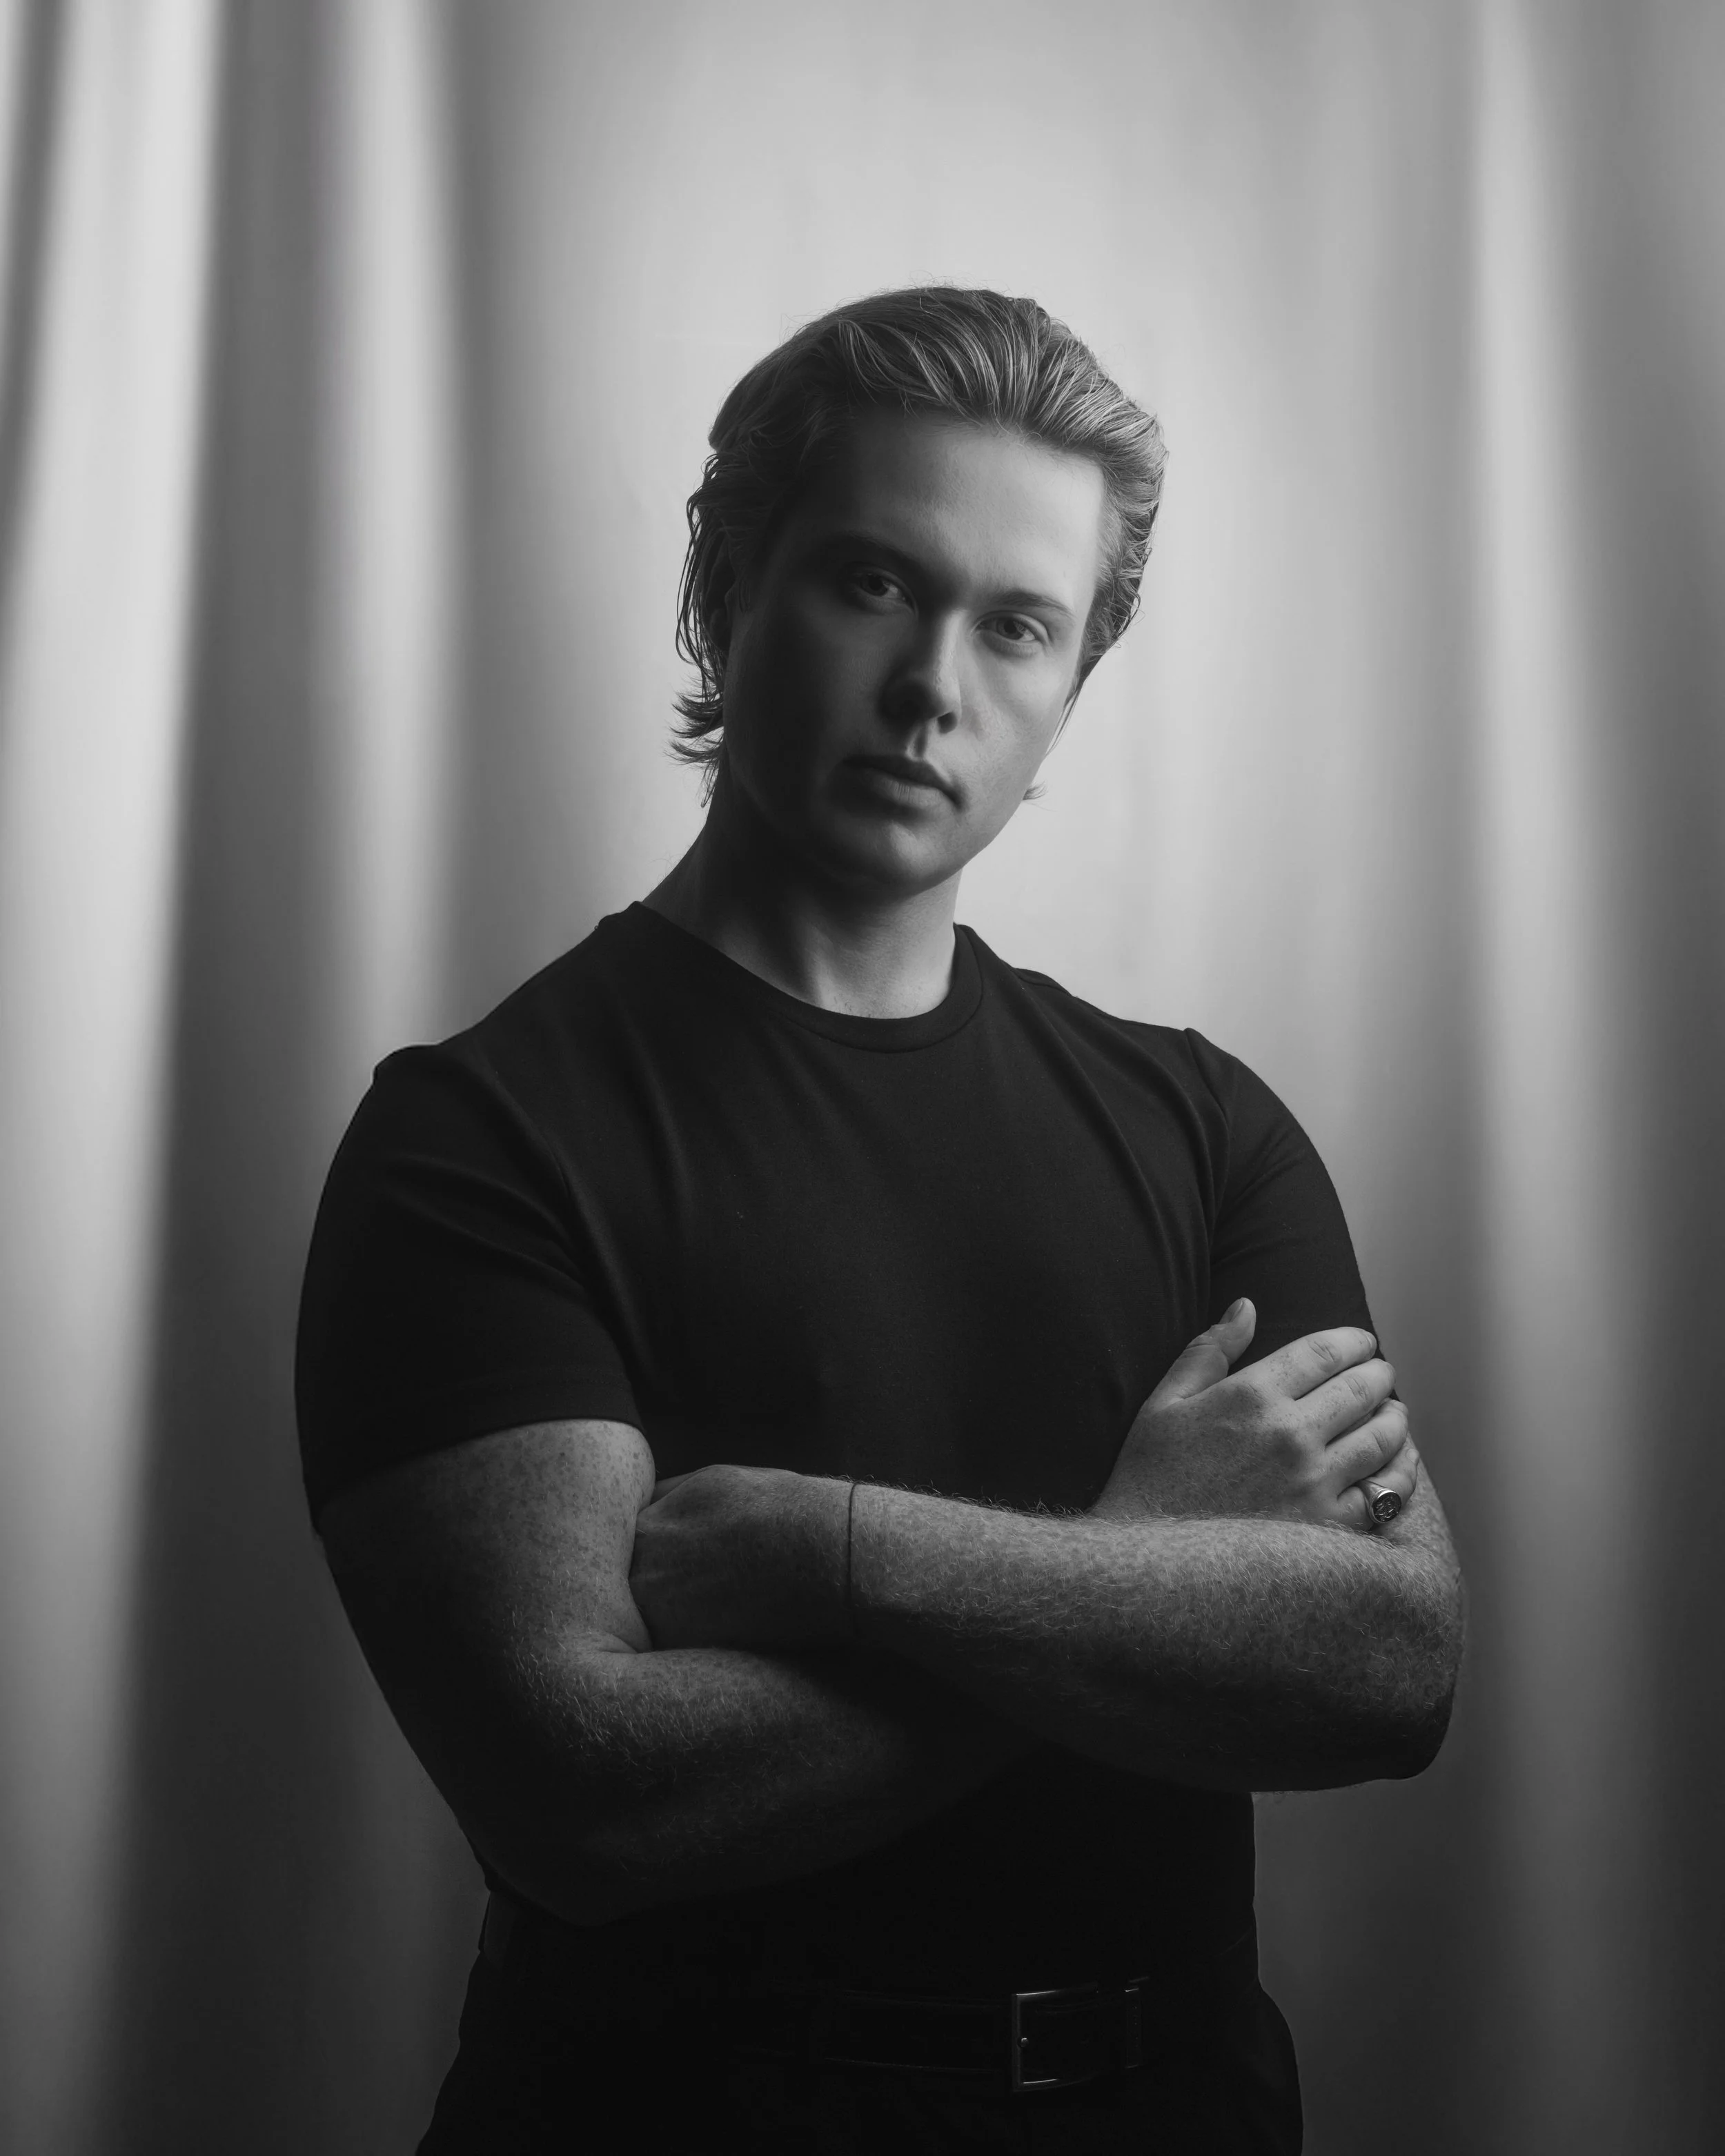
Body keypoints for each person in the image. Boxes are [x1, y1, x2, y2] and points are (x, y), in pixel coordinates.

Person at [297, 286, 1465, 2154]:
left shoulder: (1199, 1126)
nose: (934, 683)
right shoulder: (481, 1139)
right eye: (871, 583)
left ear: (1071, 684)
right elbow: (586, 1800)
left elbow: (1388, 1667)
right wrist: (1138, 1566)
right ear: (726, 589)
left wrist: (850, 1554)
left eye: (1017, 625)